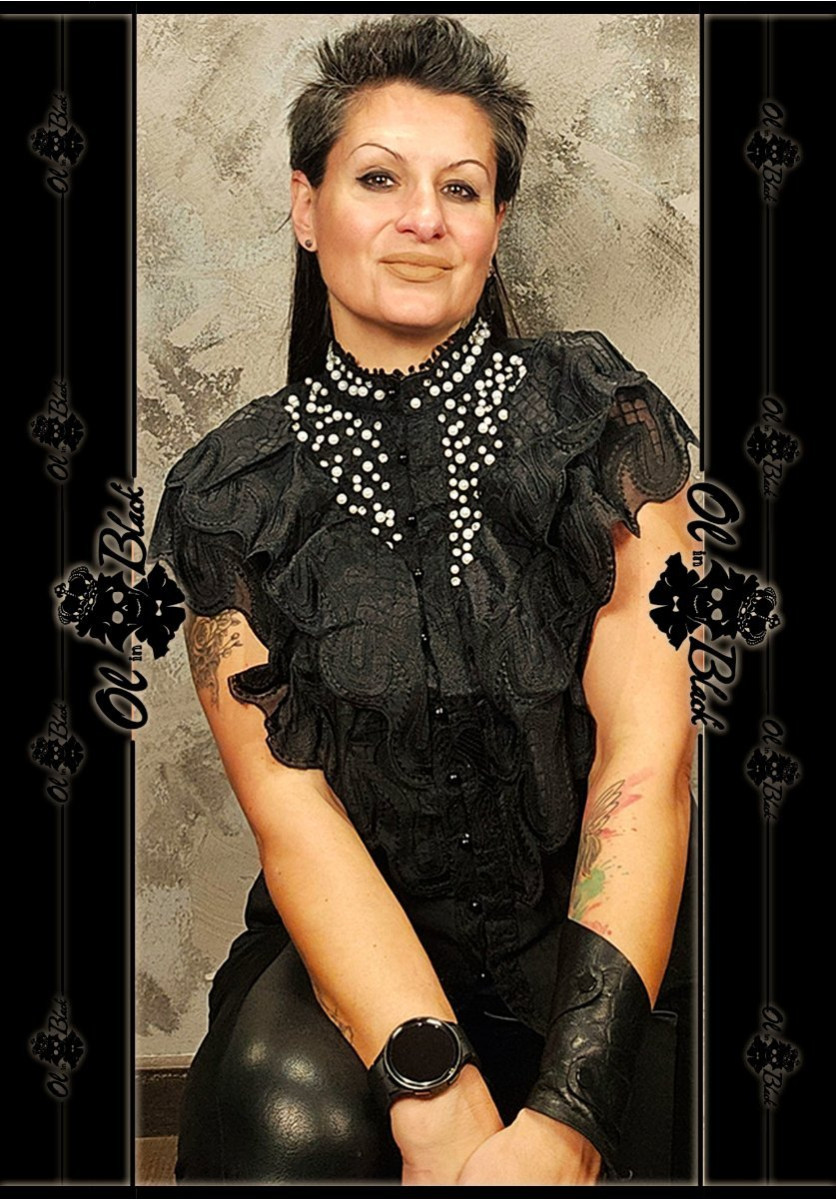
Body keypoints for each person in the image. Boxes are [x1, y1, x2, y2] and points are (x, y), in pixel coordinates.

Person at [148, 14, 698, 1186]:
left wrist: (567, 1115)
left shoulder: (601, 424)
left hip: (596, 937)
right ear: (306, 207)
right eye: (377, 178)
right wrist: (431, 1090)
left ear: (493, 225)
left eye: (460, 187)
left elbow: (645, 765)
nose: (423, 219)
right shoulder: (228, 494)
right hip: (357, 942)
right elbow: (293, 819)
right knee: (285, 1117)